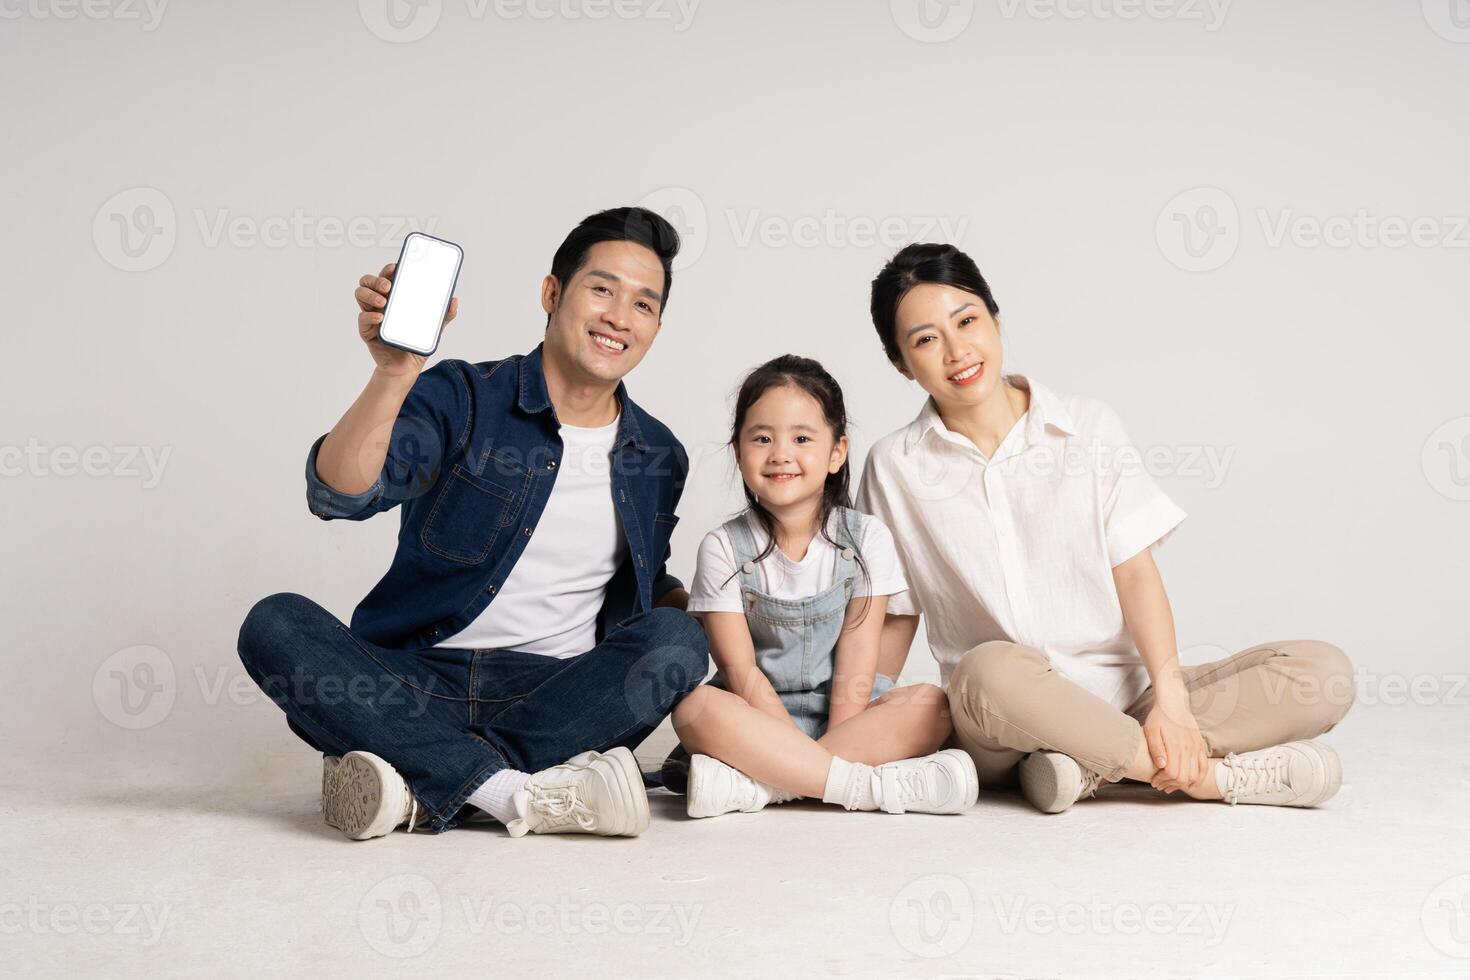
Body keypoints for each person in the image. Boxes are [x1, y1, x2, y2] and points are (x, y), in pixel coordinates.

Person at [236, 207, 709, 839]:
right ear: (551, 292)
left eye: (644, 305)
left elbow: (643, 590)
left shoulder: (658, 454)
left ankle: (418, 777)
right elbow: (340, 494)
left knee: (677, 641)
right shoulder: (462, 396)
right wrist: (393, 373)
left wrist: (727, 623)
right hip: (415, 681)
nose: (619, 318)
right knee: (275, 623)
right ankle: (512, 792)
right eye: (602, 289)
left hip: (555, 695)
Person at [856, 243, 1356, 813]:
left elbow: (1136, 574)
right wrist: (856, 717)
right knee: (988, 666)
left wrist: (1172, 705)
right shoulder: (893, 465)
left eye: (967, 321)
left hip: (1126, 698)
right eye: (925, 340)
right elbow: (892, 613)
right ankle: (1209, 779)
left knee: (1322, 673)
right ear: (900, 363)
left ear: (995, 318)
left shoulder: (1088, 427)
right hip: (1000, 713)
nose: (956, 350)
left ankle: (1079, 767)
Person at [666, 355, 979, 818]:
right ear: (738, 451)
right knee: (693, 707)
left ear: (837, 452)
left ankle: (770, 787)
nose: (780, 454)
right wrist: (787, 745)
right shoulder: (723, 548)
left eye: (802, 438)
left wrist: (804, 758)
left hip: (849, 714)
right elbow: (742, 673)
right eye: (762, 438)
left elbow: (858, 659)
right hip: (760, 718)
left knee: (933, 704)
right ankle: (864, 787)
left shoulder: (866, 538)